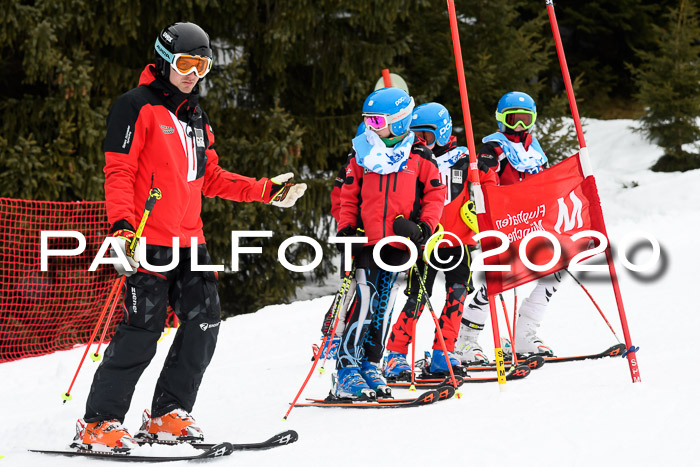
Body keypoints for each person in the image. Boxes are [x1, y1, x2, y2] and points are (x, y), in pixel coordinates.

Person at [71, 22, 307, 451]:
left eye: (202, 65)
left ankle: (167, 413)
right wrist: (122, 226)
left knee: (205, 322)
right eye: (185, 63)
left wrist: (265, 190)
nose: (193, 73)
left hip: (190, 241)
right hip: (148, 240)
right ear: (164, 60)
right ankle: (99, 422)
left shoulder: (196, 117)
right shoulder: (135, 106)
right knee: (142, 330)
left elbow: (209, 176)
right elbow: (119, 171)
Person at [333, 87, 445, 400]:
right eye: (367, 120)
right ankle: (345, 369)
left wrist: (424, 226)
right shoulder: (361, 153)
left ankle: (370, 363)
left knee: (384, 306)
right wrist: (346, 229)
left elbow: (436, 195)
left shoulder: (419, 157)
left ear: (398, 121)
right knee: (364, 303)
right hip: (368, 244)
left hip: (399, 244)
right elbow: (348, 196)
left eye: (378, 120)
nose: (371, 126)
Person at [454, 91, 564, 364]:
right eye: (513, 119)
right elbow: (488, 186)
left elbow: (545, 183)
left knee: (557, 268)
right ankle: (465, 338)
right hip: (506, 224)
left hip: (534, 222)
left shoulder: (536, 150)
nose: (519, 126)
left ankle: (525, 332)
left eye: (525, 119)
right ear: (501, 119)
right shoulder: (493, 149)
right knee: (501, 279)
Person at [382, 103, 483, 379]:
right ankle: (396, 353)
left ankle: (443, 352)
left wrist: (485, 168)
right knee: (417, 297)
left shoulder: (464, 158)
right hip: (426, 241)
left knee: (458, 294)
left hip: (457, 240)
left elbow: (487, 183)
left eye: (426, 136)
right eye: (415, 135)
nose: (420, 141)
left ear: (443, 131)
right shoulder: (412, 159)